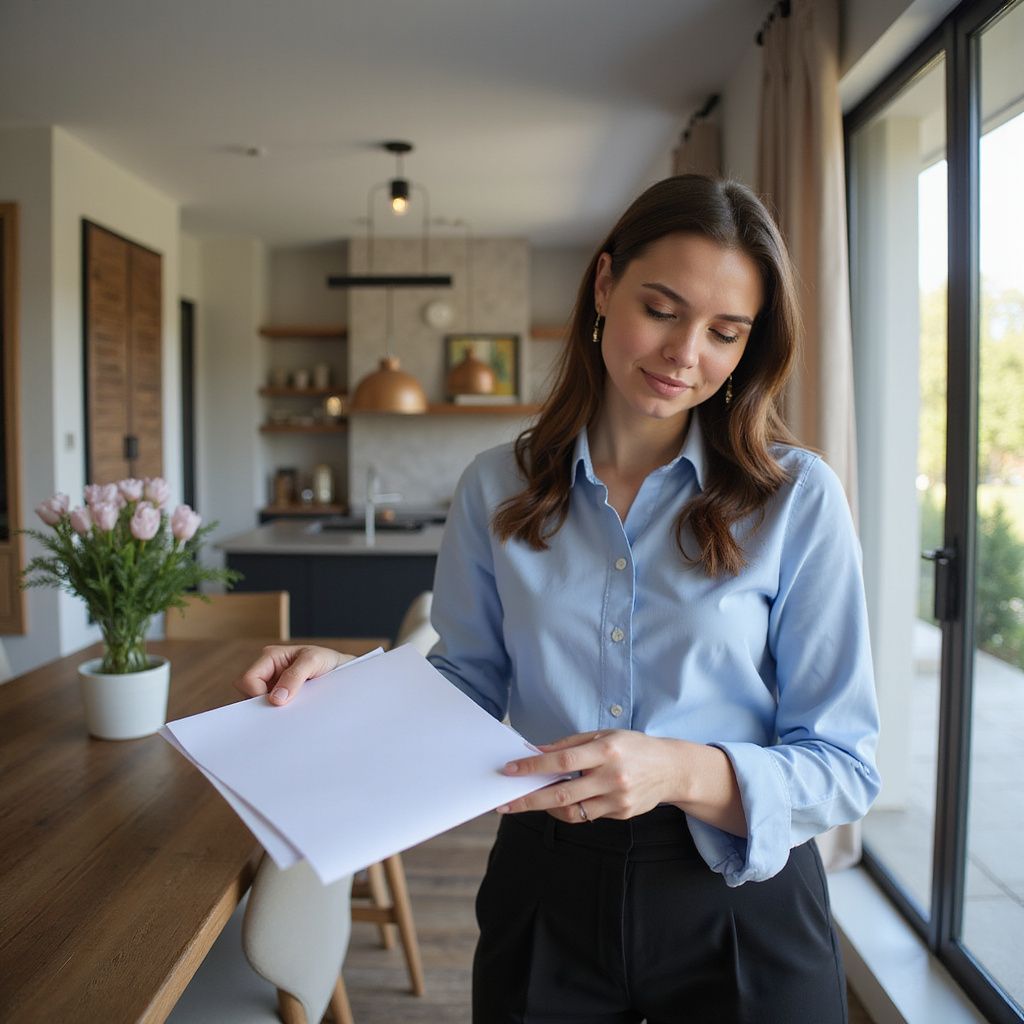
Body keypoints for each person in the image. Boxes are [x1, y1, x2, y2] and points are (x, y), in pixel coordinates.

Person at [235, 174, 880, 1023]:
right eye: (662, 308)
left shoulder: (793, 496)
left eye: (725, 332)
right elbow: (461, 685)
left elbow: (844, 769)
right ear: (606, 286)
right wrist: (345, 684)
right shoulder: (495, 485)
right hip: (546, 883)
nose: (686, 352)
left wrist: (672, 769)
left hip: (738, 892)